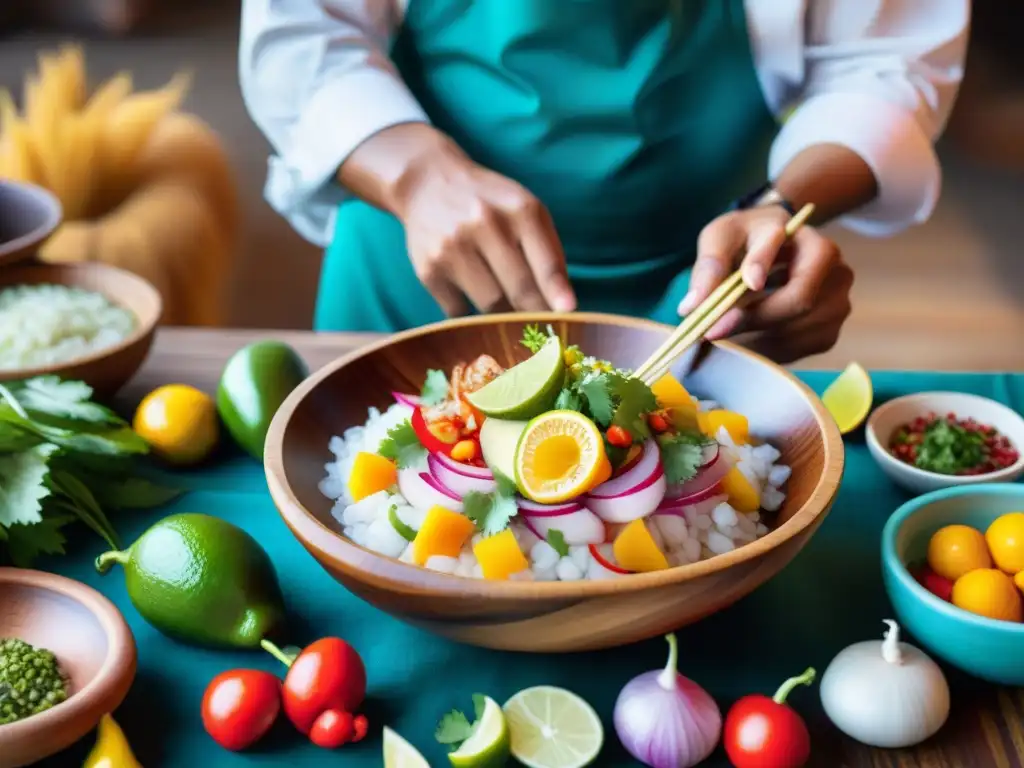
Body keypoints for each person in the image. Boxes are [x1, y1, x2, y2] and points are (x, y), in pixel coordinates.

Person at [239, 0, 968, 362]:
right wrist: (420, 177)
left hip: (700, 293)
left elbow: (884, 62)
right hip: (416, 269)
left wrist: (782, 210)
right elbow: (304, 31)